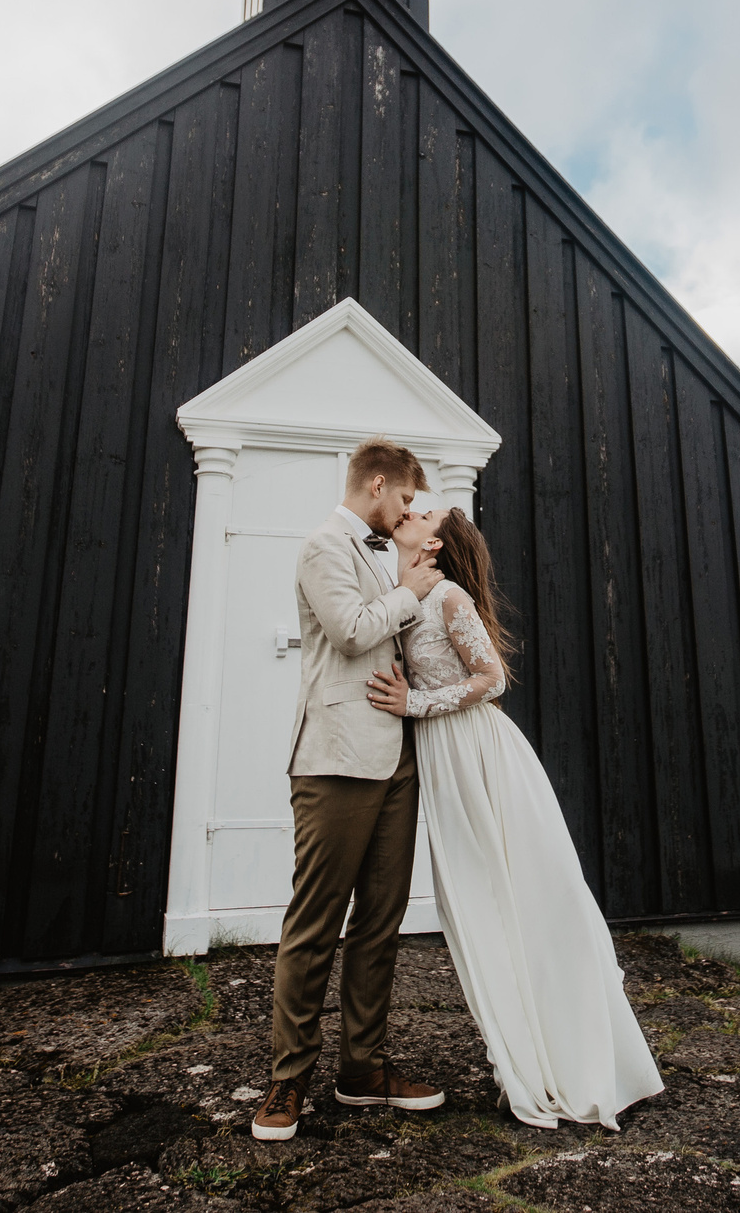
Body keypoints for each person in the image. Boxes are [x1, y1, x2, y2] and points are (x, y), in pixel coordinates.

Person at [362, 507, 665, 1129]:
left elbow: (491, 678)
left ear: (437, 542)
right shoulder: (406, 592)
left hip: (478, 754)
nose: (408, 511)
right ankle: (524, 1050)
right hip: (445, 757)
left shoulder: (447, 596)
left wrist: (414, 703)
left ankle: (561, 1057)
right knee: (479, 900)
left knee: (514, 894)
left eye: (422, 511)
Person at [250, 438, 449, 1143]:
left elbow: (405, 642)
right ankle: (288, 1077)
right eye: (403, 500)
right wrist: (409, 590)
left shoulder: (390, 556)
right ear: (376, 482)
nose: (406, 515)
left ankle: (362, 1068)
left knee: (380, 923)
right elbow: (351, 629)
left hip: (398, 759)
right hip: (335, 759)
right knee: (315, 924)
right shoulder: (321, 547)